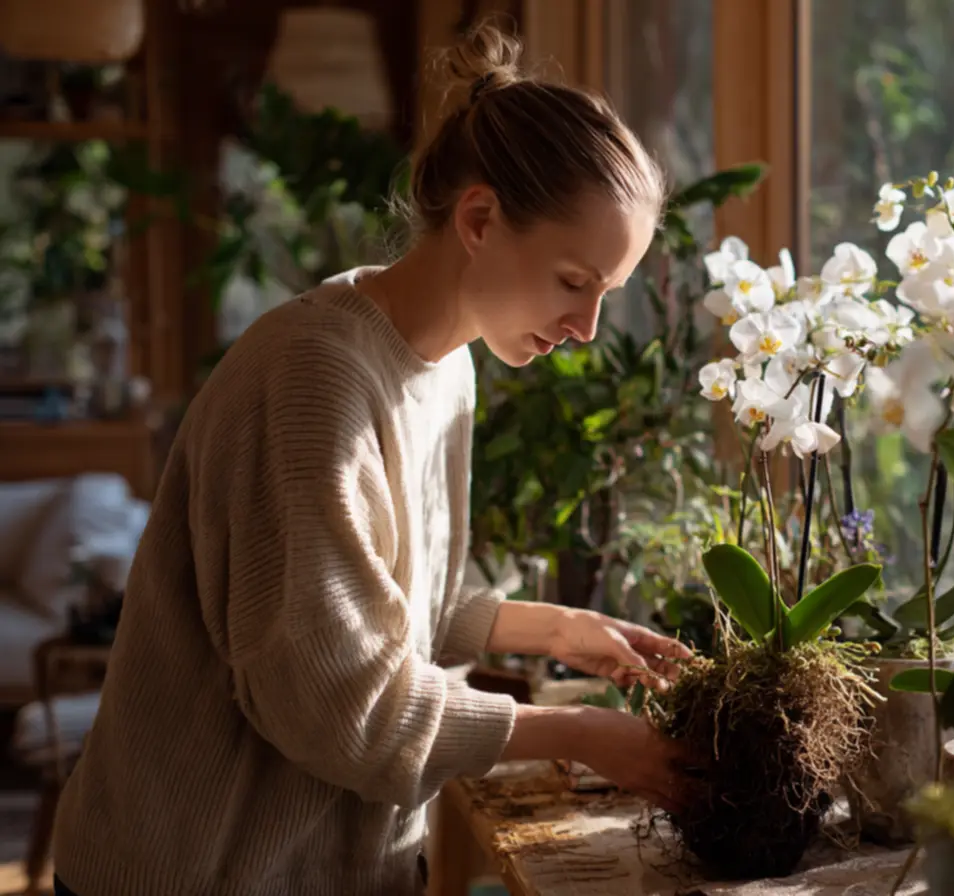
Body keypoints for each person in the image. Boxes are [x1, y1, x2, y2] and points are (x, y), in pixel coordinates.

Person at [51, 22, 694, 896]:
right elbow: (338, 704)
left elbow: (385, 602)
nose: (586, 328)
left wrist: (553, 631)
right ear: (478, 219)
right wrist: (579, 733)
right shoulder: (313, 380)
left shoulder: (448, 367)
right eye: (573, 282)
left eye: (605, 293)